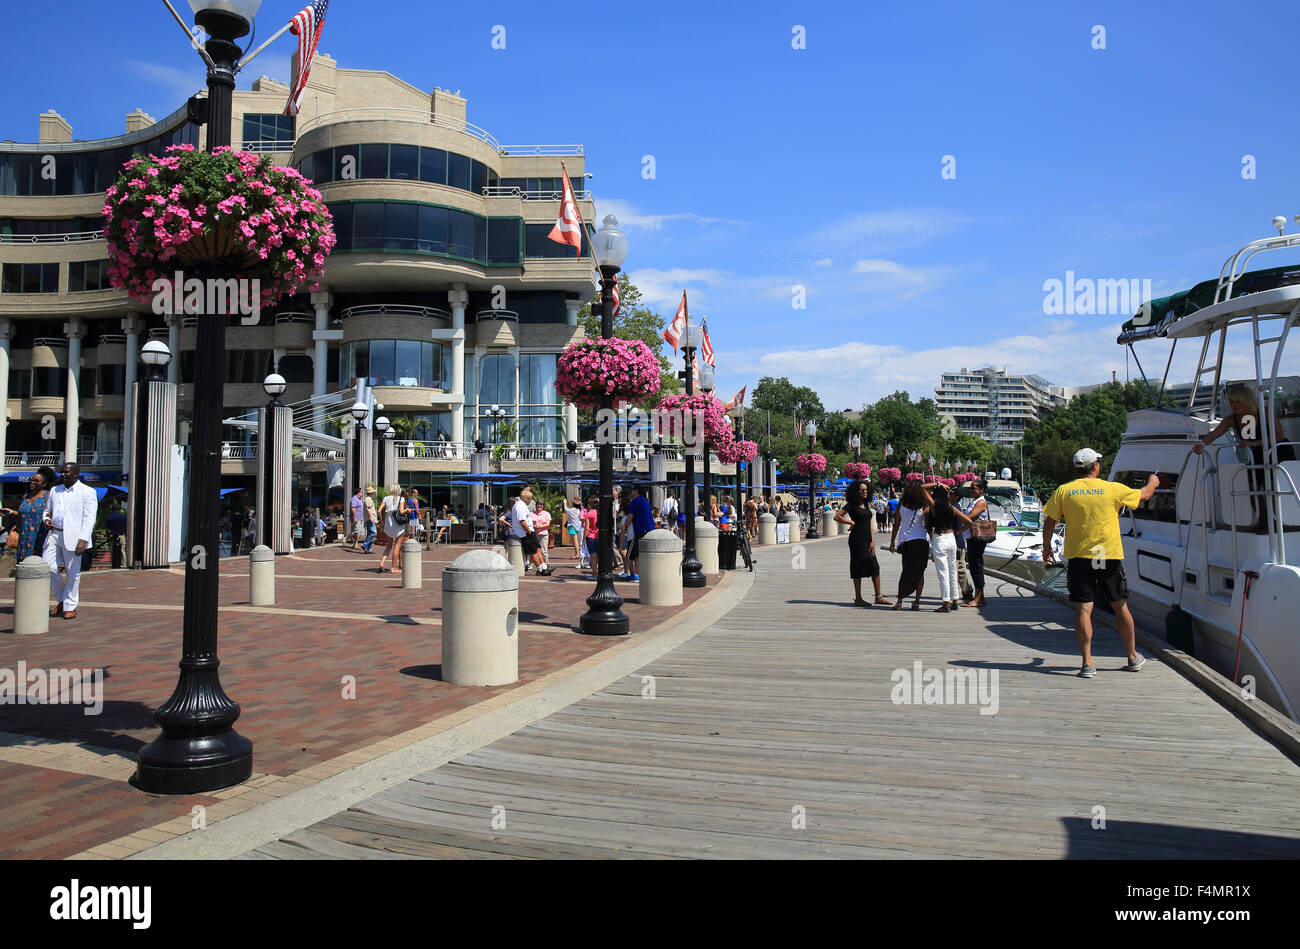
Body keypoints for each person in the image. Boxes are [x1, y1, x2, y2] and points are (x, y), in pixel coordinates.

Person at [1042, 448, 1159, 678]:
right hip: (1107, 555)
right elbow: (1144, 495)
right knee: (1119, 604)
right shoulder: (1111, 489)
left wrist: (1047, 548)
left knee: (1084, 608)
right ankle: (1133, 657)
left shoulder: (1064, 491)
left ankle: (1087, 663)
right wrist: (1152, 482)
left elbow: (1050, 521)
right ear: (1095, 466)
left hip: (1080, 556)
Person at [43, 462, 98, 620]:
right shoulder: (55, 490)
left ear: (76, 474)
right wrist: (46, 519)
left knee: (73, 573)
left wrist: (83, 540)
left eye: (66, 472)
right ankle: (62, 600)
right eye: (62, 472)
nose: (63, 475)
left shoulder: (87, 492)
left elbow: (89, 518)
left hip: (74, 537)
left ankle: (70, 606)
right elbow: (47, 511)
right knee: (48, 567)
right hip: (54, 534)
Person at [835, 479, 891, 607]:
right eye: (862, 490)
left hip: (867, 539)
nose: (865, 491)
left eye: (866, 489)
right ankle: (858, 598)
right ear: (857, 492)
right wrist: (851, 522)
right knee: (857, 566)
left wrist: (872, 541)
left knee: (875, 566)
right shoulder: (851, 505)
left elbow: (870, 526)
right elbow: (837, 517)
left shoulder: (866, 505)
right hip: (856, 539)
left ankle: (878, 597)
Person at [927, 484, 974, 613]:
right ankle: (955, 600)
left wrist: (938, 484)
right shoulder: (952, 508)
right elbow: (969, 522)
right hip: (951, 538)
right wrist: (958, 532)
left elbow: (922, 489)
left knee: (943, 572)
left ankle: (946, 602)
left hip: (940, 538)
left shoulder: (934, 508)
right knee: (953, 570)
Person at [889, 481, 934, 611]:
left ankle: (899, 601)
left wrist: (892, 541)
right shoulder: (925, 506)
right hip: (921, 541)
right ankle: (916, 602)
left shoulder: (902, 504)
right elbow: (928, 526)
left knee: (906, 571)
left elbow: (896, 524)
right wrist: (934, 544)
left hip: (906, 541)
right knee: (920, 573)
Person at [1, 466, 56, 563]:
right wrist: (11, 511)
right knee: (23, 564)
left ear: (44, 484)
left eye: (36, 481)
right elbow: (25, 515)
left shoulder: (49, 497)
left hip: (39, 536)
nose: (32, 482)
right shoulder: (26, 496)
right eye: (31, 479)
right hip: (24, 536)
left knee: (37, 564)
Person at [502, 486, 548, 576]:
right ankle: (540, 568)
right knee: (532, 551)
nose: (530, 501)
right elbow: (522, 521)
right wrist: (528, 531)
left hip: (529, 530)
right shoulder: (520, 506)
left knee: (537, 547)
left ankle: (543, 566)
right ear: (526, 498)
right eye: (530, 499)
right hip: (525, 532)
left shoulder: (522, 505)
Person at [960, 479, 992, 607]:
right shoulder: (974, 501)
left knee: (976, 567)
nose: (971, 490)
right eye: (971, 488)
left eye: (974, 488)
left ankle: (978, 598)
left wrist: (956, 515)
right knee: (974, 566)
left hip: (977, 539)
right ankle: (981, 597)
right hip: (972, 538)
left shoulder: (981, 502)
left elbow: (969, 518)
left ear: (981, 490)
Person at [619, 484, 656, 581]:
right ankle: (638, 574)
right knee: (639, 554)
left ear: (636, 491)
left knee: (630, 554)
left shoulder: (635, 501)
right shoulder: (645, 501)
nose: (631, 492)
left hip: (639, 530)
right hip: (649, 529)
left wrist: (625, 528)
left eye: (633, 490)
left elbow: (630, 517)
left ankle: (633, 574)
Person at [377, 484, 405, 574]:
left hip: (388, 522)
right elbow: (401, 511)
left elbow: (379, 510)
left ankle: (382, 562)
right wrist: (407, 510)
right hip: (397, 523)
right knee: (397, 546)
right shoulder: (401, 499)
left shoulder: (386, 498)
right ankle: (393, 567)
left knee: (389, 545)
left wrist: (381, 520)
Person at [564, 495, 587, 567]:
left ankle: (577, 554)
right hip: (579, 526)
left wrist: (565, 503)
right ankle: (577, 553)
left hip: (573, 526)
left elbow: (566, 510)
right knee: (577, 541)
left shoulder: (573, 510)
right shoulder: (580, 510)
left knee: (575, 541)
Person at [105, 499, 127, 568]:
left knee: (112, 550)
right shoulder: (123, 517)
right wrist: (125, 535)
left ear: (112, 510)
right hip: (121, 535)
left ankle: (114, 563)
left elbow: (107, 529)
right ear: (119, 509)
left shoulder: (109, 517)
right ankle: (123, 563)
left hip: (112, 535)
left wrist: (107, 537)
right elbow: (125, 527)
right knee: (122, 550)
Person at [582, 494, 600, 574]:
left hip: (590, 536)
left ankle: (594, 572)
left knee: (592, 554)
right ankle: (599, 570)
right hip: (598, 535)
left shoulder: (588, 514)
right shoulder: (599, 513)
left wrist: (583, 539)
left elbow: (586, 528)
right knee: (599, 554)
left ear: (589, 505)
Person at [532, 498, 552, 570]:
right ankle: (536, 566)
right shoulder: (532, 513)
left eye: (541, 505)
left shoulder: (546, 514)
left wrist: (540, 526)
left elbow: (548, 524)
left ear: (543, 506)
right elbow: (530, 523)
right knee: (534, 550)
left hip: (543, 534)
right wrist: (534, 527)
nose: (539, 506)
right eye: (538, 505)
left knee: (544, 551)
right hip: (535, 534)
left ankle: (546, 565)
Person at [361, 487, 379, 553]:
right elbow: (368, 508)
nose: (374, 493)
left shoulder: (369, 499)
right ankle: (365, 545)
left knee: (369, 533)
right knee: (374, 532)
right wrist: (371, 516)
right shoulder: (368, 499)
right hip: (369, 518)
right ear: (371, 493)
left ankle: (368, 548)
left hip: (369, 518)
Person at [349, 486, 366, 551]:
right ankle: (346, 537)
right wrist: (355, 517)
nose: (362, 493)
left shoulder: (359, 499)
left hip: (360, 518)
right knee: (357, 532)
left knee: (359, 532)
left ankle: (355, 544)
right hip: (357, 518)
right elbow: (353, 508)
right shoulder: (354, 499)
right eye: (362, 492)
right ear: (358, 493)